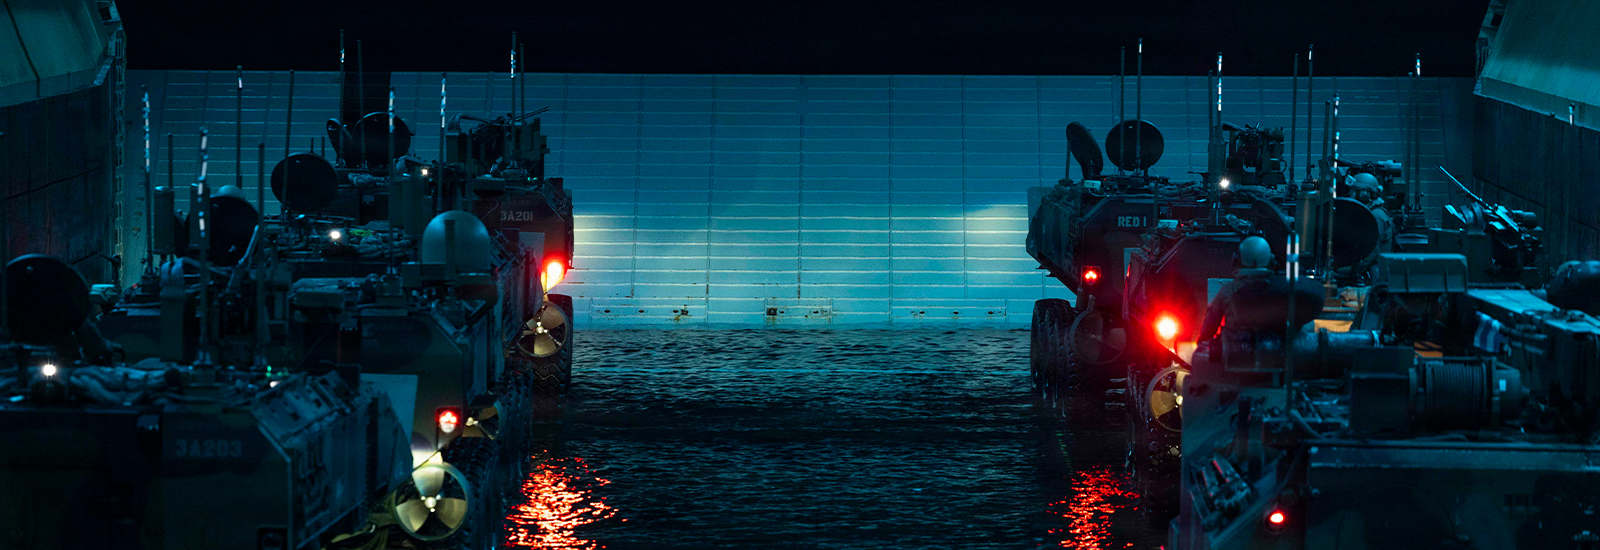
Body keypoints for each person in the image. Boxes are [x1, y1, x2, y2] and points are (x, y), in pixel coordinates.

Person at [1197, 236, 1276, 342]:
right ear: (1271, 261)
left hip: (1234, 355)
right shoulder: (1282, 290)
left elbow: (1208, 330)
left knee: (1200, 355)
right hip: (1273, 353)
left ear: (1236, 260)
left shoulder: (1227, 291)